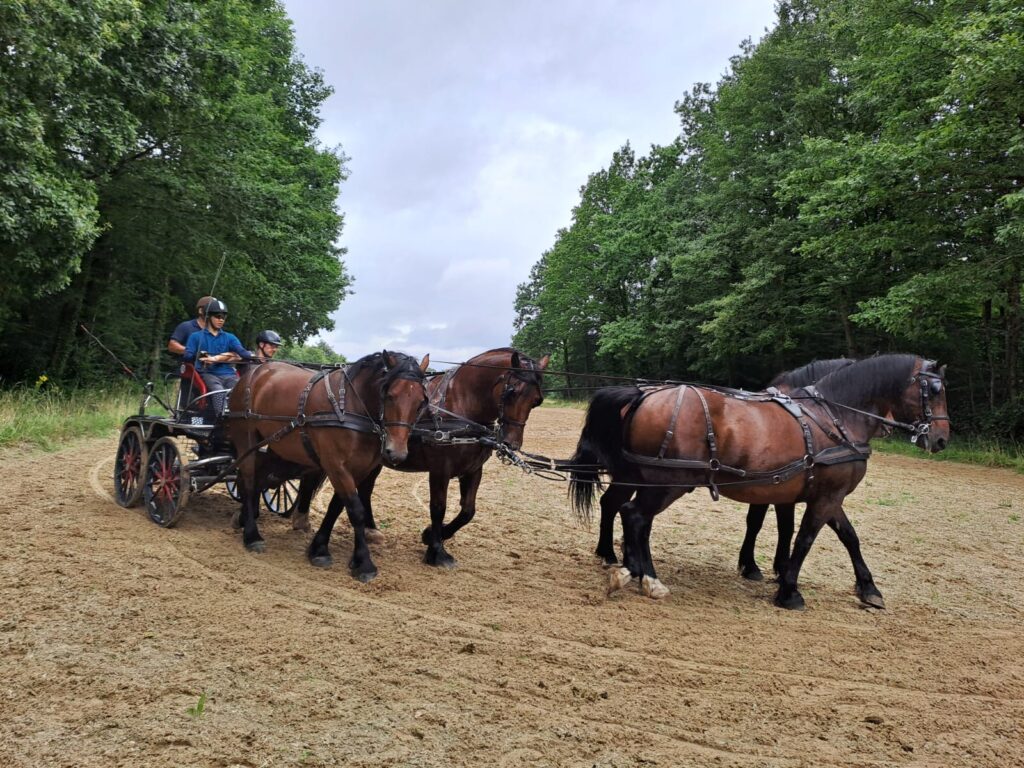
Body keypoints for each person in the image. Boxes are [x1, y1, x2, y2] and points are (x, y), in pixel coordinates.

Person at [181, 299, 253, 415]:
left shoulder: (230, 337)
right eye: (217, 316)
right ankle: (221, 417)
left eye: (223, 317)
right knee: (218, 391)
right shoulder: (195, 337)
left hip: (229, 374)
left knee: (241, 390)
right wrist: (201, 356)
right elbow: (187, 356)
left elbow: (241, 351)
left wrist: (252, 356)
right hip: (208, 374)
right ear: (208, 316)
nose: (221, 320)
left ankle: (240, 416)